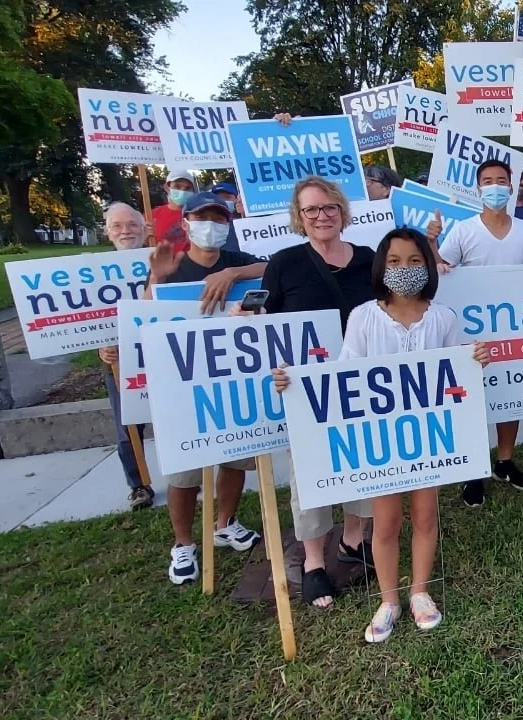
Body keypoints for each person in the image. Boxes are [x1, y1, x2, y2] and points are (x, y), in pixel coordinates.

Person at [271, 229, 490, 643]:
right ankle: (389, 599)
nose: (404, 269)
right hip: (383, 446)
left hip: (427, 438)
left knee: (426, 517)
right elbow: (343, 376)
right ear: (380, 267)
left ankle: (420, 592)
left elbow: (459, 371)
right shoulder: (364, 317)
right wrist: (294, 383)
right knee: (385, 522)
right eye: (394, 261)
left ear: (427, 265)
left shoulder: (442, 317)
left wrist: (477, 359)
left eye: (413, 261)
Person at [256, 173, 380, 608]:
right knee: (310, 473)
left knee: (363, 464)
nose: (321, 216)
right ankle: (312, 562)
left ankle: (352, 540)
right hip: (308, 390)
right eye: (311, 209)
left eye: (328, 207)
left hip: (362, 384)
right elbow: (261, 327)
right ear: (299, 217)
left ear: (342, 212)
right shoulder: (285, 264)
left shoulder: (369, 259)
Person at [146, 191, 268, 585]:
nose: (211, 226)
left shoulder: (236, 261)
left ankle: (225, 523)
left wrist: (232, 274)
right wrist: (157, 279)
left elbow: (269, 265)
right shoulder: (171, 266)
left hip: (232, 385)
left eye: (219, 219)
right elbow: (144, 318)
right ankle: (183, 544)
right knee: (184, 473)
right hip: (184, 388)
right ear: (186, 223)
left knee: (235, 459)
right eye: (202, 218)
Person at [430, 158, 523, 507]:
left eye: (501, 180)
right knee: (475, 402)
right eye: (487, 180)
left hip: (515, 329)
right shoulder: (463, 230)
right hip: (474, 334)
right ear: (478, 188)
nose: (495, 186)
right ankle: (473, 471)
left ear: (511, 187)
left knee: (511, 397)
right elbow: (442, 270)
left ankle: (505, 462)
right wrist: (432, 245)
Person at [96, 202, 154, 511]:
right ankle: (138, 485)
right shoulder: (91, 272)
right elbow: (85, 322)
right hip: (119, 359)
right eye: (117, 226)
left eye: (132, 224)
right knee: (127, 426)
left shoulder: (164, 262)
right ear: (107, 231)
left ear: (145, 229)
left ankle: (190, 477)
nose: (125, 231)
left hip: (162, 352)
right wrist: (101, 348)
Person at [152, 169, 198, 250]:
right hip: (163, 261)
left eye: (187, 188)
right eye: (177, 186)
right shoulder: (153, 215)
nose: (182, 191)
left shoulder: (198, 214)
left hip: (190, 261)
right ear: (167, 187)